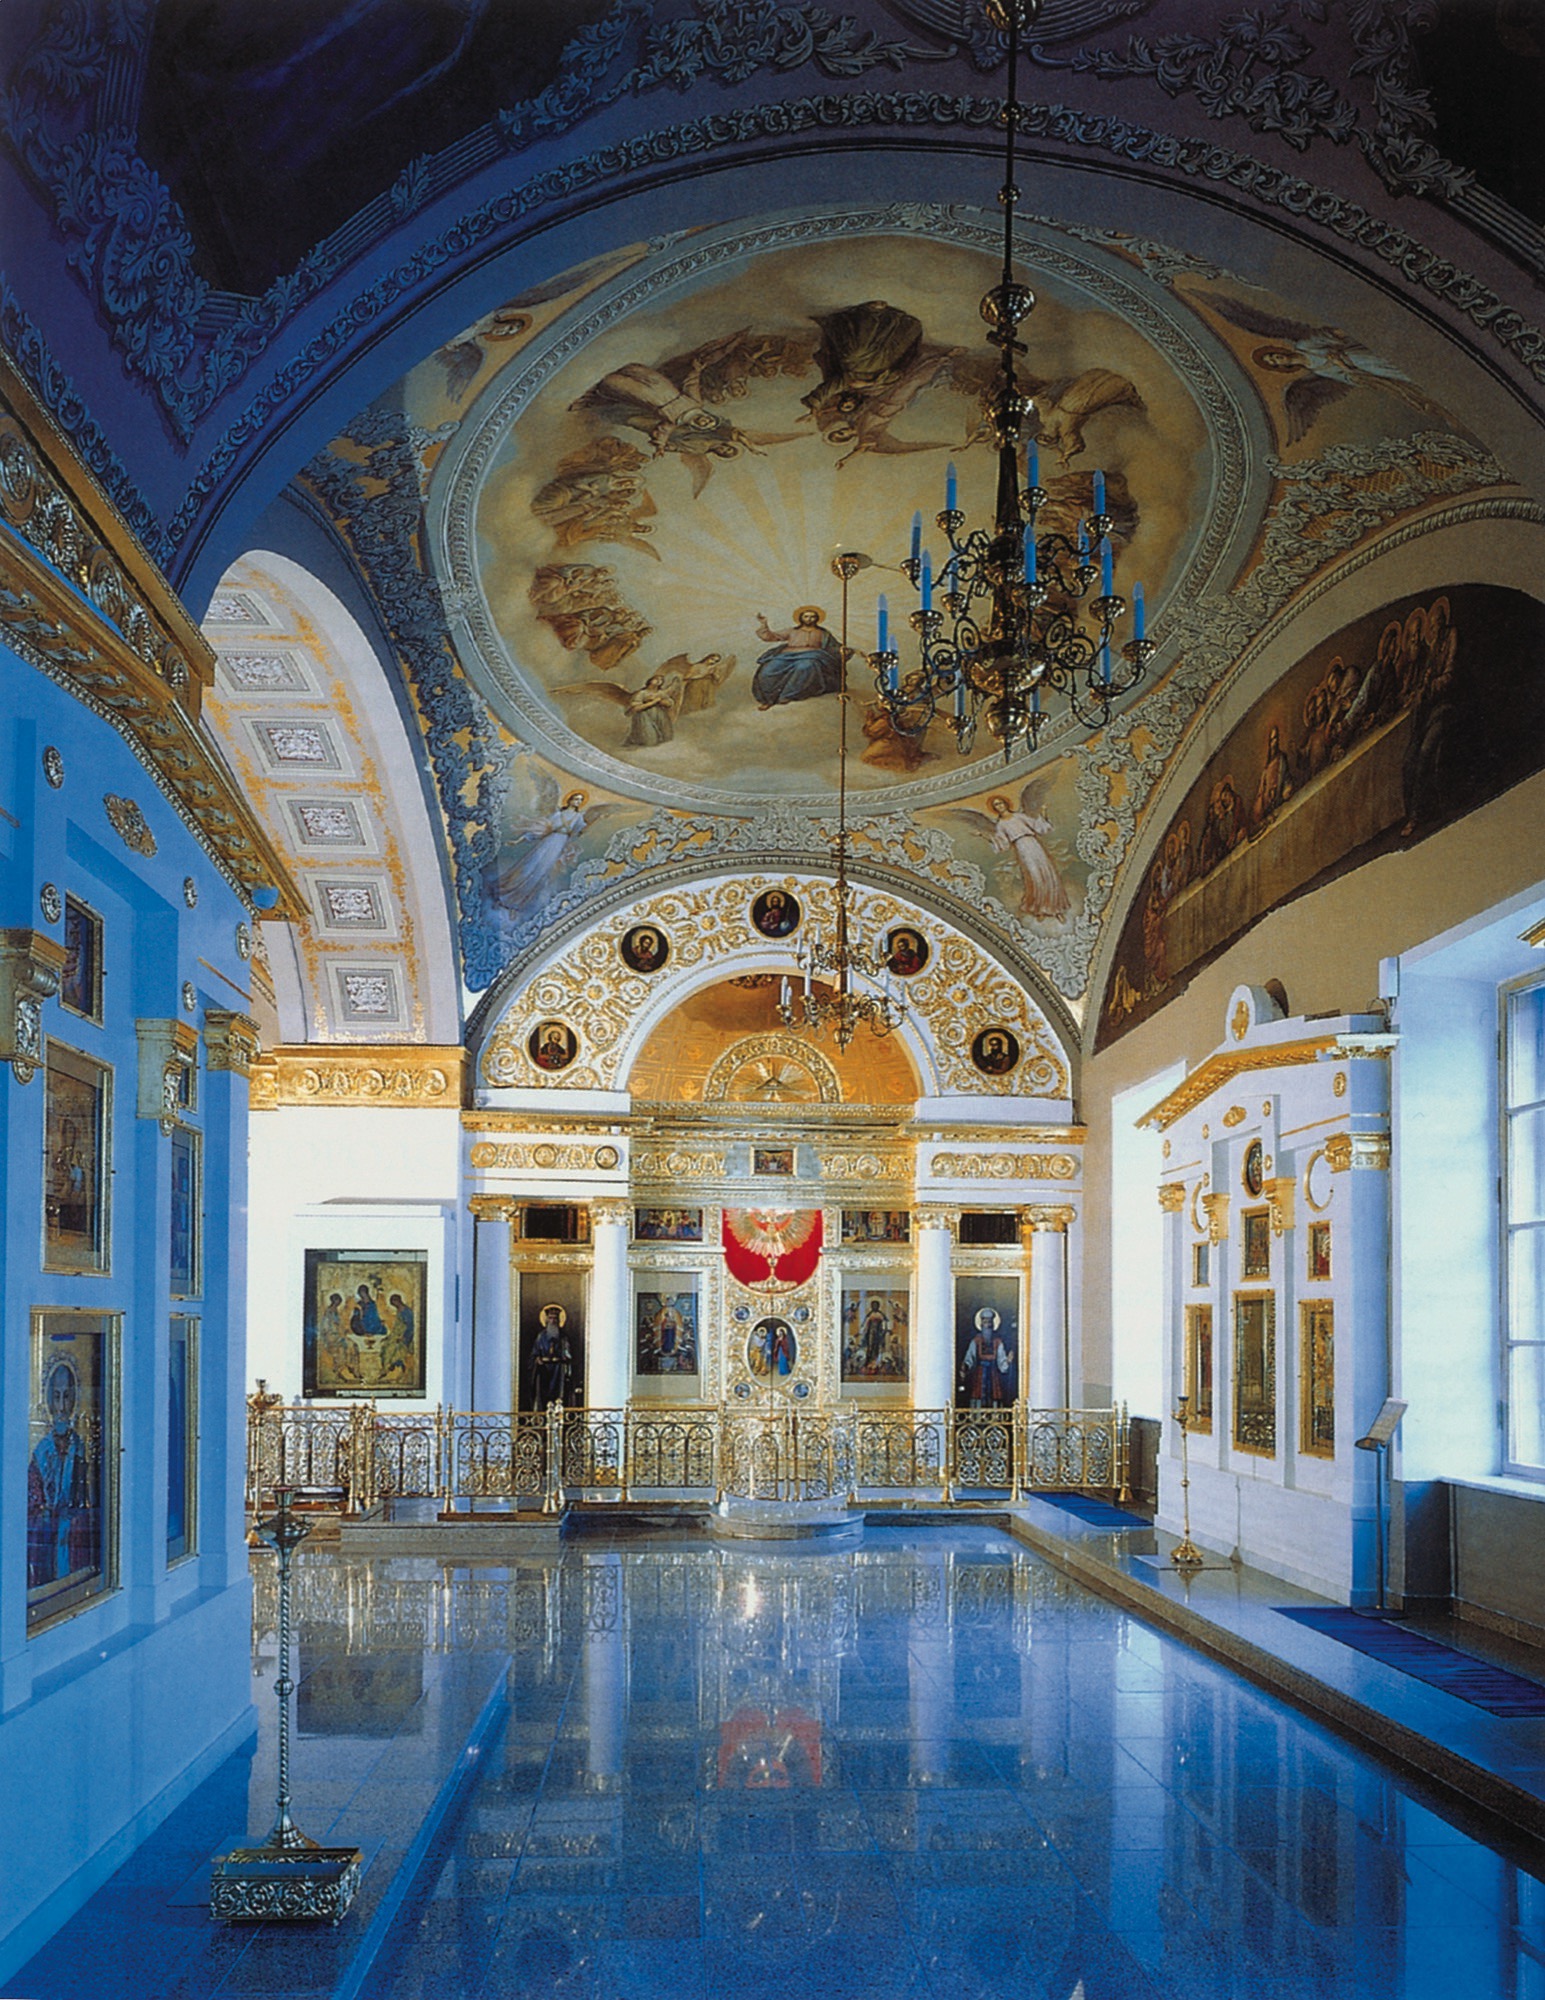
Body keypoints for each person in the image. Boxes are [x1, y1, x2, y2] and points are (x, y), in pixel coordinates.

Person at [27, 1361, 95, 1588]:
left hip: (72, 1541)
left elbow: (87, 1502)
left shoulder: (79, 1447)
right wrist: (46, 1515)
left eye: (67, 1397)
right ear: (48, 1401)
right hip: (46, 1541)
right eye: (56, 1397)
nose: (61, 1407)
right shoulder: (41, 1451)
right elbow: (32, 1506)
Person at [988, 795, 1071, 921]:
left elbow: (1036, 825)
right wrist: (986, 837)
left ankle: (1057, 909)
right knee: (1035, 877)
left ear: (1005, 803)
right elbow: (1003, 844)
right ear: (995, 809)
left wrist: (1043, 813)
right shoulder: (1000, 825)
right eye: (996, 805)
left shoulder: (1019, 816)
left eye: (1000, 803)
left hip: (1034, 844)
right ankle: (1040, 908)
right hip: (1021, 848)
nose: (1000, 806)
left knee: (1048, 873)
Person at [751, 606, 845, 708]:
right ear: (801, 618)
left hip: (812, 656)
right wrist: (764, 624)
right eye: (806, 616)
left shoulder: (824, 633)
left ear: (817, 618)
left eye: (812, 617)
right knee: (768, 670)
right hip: (787, 656)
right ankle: (768, 698)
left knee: (805, 667)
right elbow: (771, 637)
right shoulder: (792, 631)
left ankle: (786, 695)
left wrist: (844, 650)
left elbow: (834, 647)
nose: (809, 619)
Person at [960, 1311, 1015, 1408]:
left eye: (990, 1322)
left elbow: (1001, 1361)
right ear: (981, 1324)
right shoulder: (976, 1341)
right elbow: (970, 1358)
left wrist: (1007, 1361)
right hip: (979, 1376)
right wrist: (966, 1366)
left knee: (995, 1398)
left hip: (993, 1375)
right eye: (985, 1322)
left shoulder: (998, 1342)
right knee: (978, 1397)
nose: (988, 1325)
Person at [531, 1305, 574, 1410]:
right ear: (547, 1320)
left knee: (558, 1393)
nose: (553, 1321)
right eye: (550, 1318)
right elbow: (535, 1353)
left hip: (558, 1369)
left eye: (555, 1318)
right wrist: (538, 1359)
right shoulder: (541, 1336)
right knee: (543, 1393)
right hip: (544, 1368)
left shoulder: (563, 1337)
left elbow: (567, 1353)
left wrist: (564, 1357)